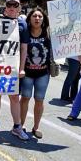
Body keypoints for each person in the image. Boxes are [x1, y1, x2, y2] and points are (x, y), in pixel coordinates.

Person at [0, 0, 29, 140]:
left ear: (19, 8)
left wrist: (22, 68)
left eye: (15, 5)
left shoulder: (22, 25)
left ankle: (17, 127)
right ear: (5, 7)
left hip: (14, 67)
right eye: (9, 4)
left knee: (14, 97)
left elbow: (24, 48)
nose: (12, 7)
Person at [20, 7, 51, 139]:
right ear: (29, 18)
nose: (37, 18)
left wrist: (75, 3)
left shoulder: (49, 33)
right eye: (34, 16)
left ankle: (36, 127)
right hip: (26, 73)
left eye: (40, 16)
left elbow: (67, 29)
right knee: (25, 98)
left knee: (39, 100)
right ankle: (20, 126)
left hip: (43, 74)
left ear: (43, 19)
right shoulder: (24, 32)